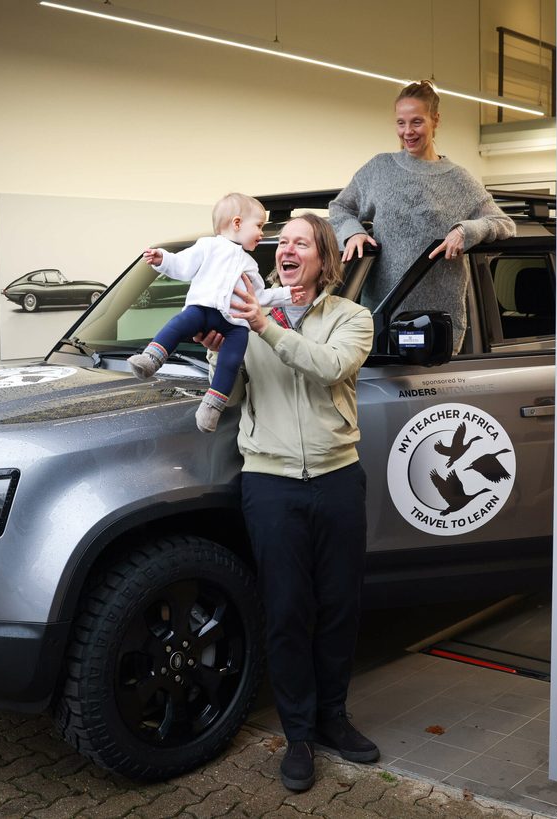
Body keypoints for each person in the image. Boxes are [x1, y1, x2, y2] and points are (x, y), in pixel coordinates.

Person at [200, 214, 376, 792]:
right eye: (281, 243)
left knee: (339, 607)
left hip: (337, 479)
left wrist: (265, 329)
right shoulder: (249, 321)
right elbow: (236, 396)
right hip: (271, 484)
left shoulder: (351, 318)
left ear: (324, 259)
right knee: (287, 609)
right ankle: (298, 734)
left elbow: (331, 367)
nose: (286, 250)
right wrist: (219, 353)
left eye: (301, 242)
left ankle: (332, 720)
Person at [329, 79, 515, 353]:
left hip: (437, 322)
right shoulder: (379, 169)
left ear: (435, 120)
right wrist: (353, 231)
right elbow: (339, 208)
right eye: (400, 123)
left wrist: (465, 231)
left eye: (416, 122)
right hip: (381, 316)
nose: (407, 132)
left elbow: (504, 224)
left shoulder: (459, 180)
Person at [128, 192, 304, 432]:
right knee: (178, 324)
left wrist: (285, 294)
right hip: (203, 310)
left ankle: (211, 408)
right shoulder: (207, 245)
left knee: (230, 362)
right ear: (237, 223)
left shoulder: (250, 264)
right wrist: (163, 259)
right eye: (259, 226)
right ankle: (150, 360)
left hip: (235, 325)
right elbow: (182, 265)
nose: (261, 233)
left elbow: (259, 297)